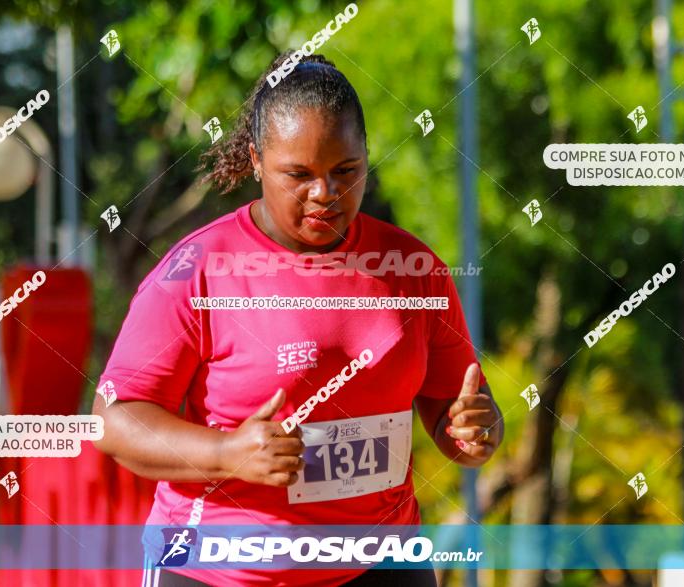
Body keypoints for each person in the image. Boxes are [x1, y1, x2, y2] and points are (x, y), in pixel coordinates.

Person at [94, 51, 504, 587]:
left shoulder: (413, 270)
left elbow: (459, 417)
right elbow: (113, 419)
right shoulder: (197, 271)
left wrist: (478, 430)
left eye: (345, 171)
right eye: (299, 174)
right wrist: (226, 454)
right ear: (257, 159)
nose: (325, 194)